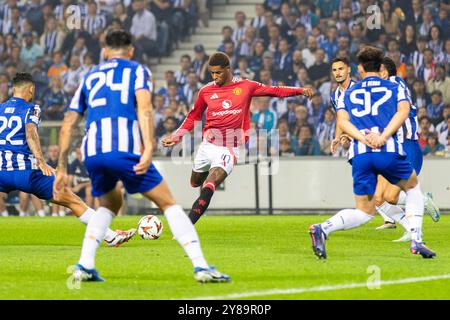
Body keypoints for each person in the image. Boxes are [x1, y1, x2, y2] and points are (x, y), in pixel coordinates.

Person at [54, 30, 229, 284]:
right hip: (124, 150)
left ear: (105, 51)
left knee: (109, 205)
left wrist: (61, 166)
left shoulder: (89, 75)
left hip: (92, 151)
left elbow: (68, 122)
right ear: (131, 50)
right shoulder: (138, 71)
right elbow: (145, 109)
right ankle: (201, 267)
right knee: (168, 203)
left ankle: (84, 265)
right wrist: (148, 147)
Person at [309, 46, 436, 259]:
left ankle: (323, 228)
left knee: (365, 210)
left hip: (360, 156)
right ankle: (416, 239)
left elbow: (342, 122)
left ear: (358, 68)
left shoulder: (348, 93)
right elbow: (403, 112)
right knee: (413, 188)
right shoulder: (394, 87)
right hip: (388, 151)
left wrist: (361, 138)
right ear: (380, 66)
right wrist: (383, 137)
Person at [162, 52, 314, 225]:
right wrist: (176, 136)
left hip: (229, 147)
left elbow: (274, 90)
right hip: (207, 145)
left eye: (218, 72)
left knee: (210, 184)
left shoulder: (245, 86)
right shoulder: (206, 91)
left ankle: (186, 227)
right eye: (212, 73)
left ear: (228, 69)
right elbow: (193, 116)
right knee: (195, 182)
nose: (215, 76)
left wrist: (300, 90)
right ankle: (203, 176)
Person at [0, 73, 135, 245]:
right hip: (27, 172)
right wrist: (41, 162)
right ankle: (110, 236)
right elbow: (31, 133)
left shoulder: (1, 108)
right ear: (31, 89)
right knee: (73, 200)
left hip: (2, 172)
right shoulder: (32, 108)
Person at [373, 57, 440, 239]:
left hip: (407, 146)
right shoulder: (385, 89)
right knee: (378, 198)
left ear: (385, 72)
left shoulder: (395, 84)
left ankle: (422, 200)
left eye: (377, 71)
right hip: (392, 147)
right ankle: (410, 228)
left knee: (393, 197)